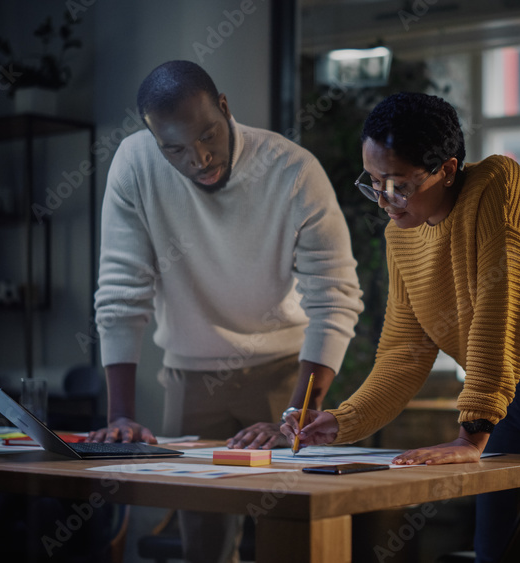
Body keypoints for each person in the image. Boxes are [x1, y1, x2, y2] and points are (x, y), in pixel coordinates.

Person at [282, 92, 520, 563]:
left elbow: (504, 310)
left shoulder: (499, 185)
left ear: (447, 170)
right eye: (373, 183)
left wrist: (470, 437)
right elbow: (404, 352)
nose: (385, 201)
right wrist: (341, 421)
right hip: (511, 398)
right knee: (497, 551)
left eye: (399, 185)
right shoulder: (402, 235)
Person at [89, 60, 362, 563]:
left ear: (225, 109)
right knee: (203, 550)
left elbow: (335, 297)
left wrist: (293, 419)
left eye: (208, 135)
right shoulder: (133, 165)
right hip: (190, 379)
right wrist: (120, 417)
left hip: (284, 375)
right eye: (175, 149)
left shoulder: (293, 171)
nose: (199, 158)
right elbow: (121, 290)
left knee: (293, 541)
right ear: (154, 143)